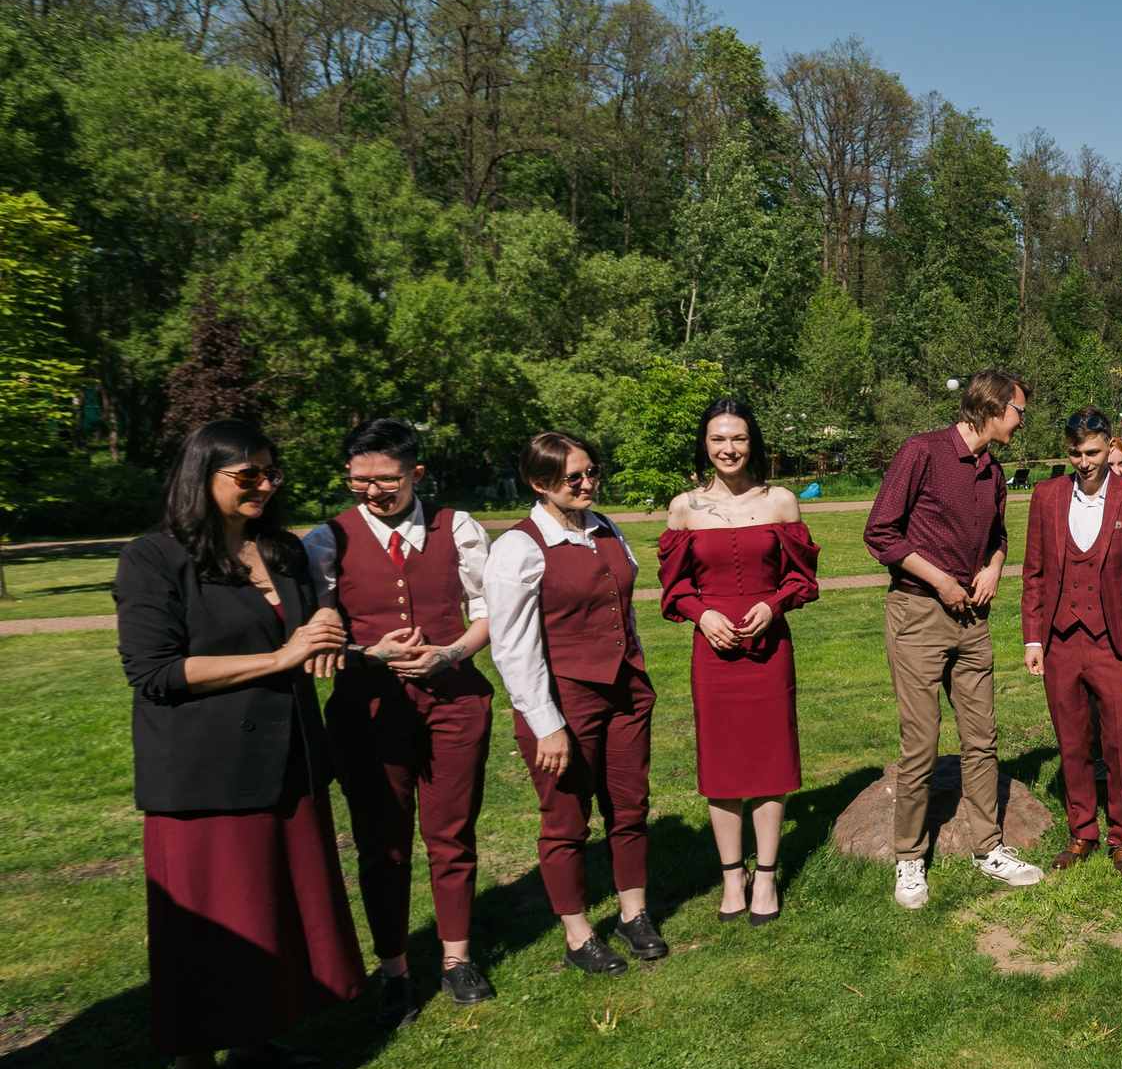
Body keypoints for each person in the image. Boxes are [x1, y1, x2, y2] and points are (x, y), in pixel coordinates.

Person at [115, 419, 364, 1069]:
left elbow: (309, 635)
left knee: (275, 907)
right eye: (246, 474)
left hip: (288, 760)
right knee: (209, 922)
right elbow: (156, 672)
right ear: (202, 476)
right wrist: (283, 657)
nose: (264, 484)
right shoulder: (152, 559)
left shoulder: (282, 552)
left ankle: (258, 1038)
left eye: (270, 472)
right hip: (205, 772)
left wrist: (335, 640)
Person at [304, 419, 496, 1024]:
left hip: (455, 702)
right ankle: (392, 969)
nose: (372, 492)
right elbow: (313, 638)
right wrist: (368, 654)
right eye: (360, 481)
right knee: (380, 844)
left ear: (415, 474)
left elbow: (492, 608)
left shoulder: (457, 527)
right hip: (369, 712)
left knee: (452, 834)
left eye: (385, 481)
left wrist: (449, 655)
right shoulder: (324, 540)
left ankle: (456, 957)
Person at [485, 432, 667, 974]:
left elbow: (623, 607)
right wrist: (546, 723)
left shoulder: (605, 528)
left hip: (626, 690)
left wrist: (632, 662)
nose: (589, 483)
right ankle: (578, 933)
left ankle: (634, 914)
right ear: (540, 484)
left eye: (592, 472)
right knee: (566, 819)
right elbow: (512, 646)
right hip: (564, 699)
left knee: (630, 806)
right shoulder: (518, 547)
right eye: (574, 478)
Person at [863, 369, 1045, 909]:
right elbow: (880, 532)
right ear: (992, 408)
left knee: (981, 737)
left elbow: (998, 538)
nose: (1021, 420)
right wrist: (940, 579)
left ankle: (988, 846)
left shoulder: (993, 472)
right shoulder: (921, 452)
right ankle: (908, 859)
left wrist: (992, 568)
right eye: (1018, 411)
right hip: (919, 613)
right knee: (920, 744)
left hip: (973, 619)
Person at [658, 399, 819, 925]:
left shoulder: (780, 502)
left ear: (754, 444)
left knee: (771, 762)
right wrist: (702, 615)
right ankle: (732, 877)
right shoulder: (683, 507)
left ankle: (767, 877)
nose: (728, 449)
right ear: (704, 445)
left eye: (738, 439)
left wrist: (772, 605)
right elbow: (675, 587)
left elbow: (803, 580)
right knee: (722, 764)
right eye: (718, 439)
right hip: (714, 653)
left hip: (769, 649)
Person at [1020, 407, 1122, 874]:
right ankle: (1082, 831)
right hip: (1060, 640)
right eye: (1077, 454)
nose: (1084, 462)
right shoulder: (1046, 496)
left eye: (1094, 453)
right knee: (1071, 742)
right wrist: (1032, 640)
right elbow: (1034, 575)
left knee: (1119, 742)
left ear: (1110, 447)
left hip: (1114, 642)